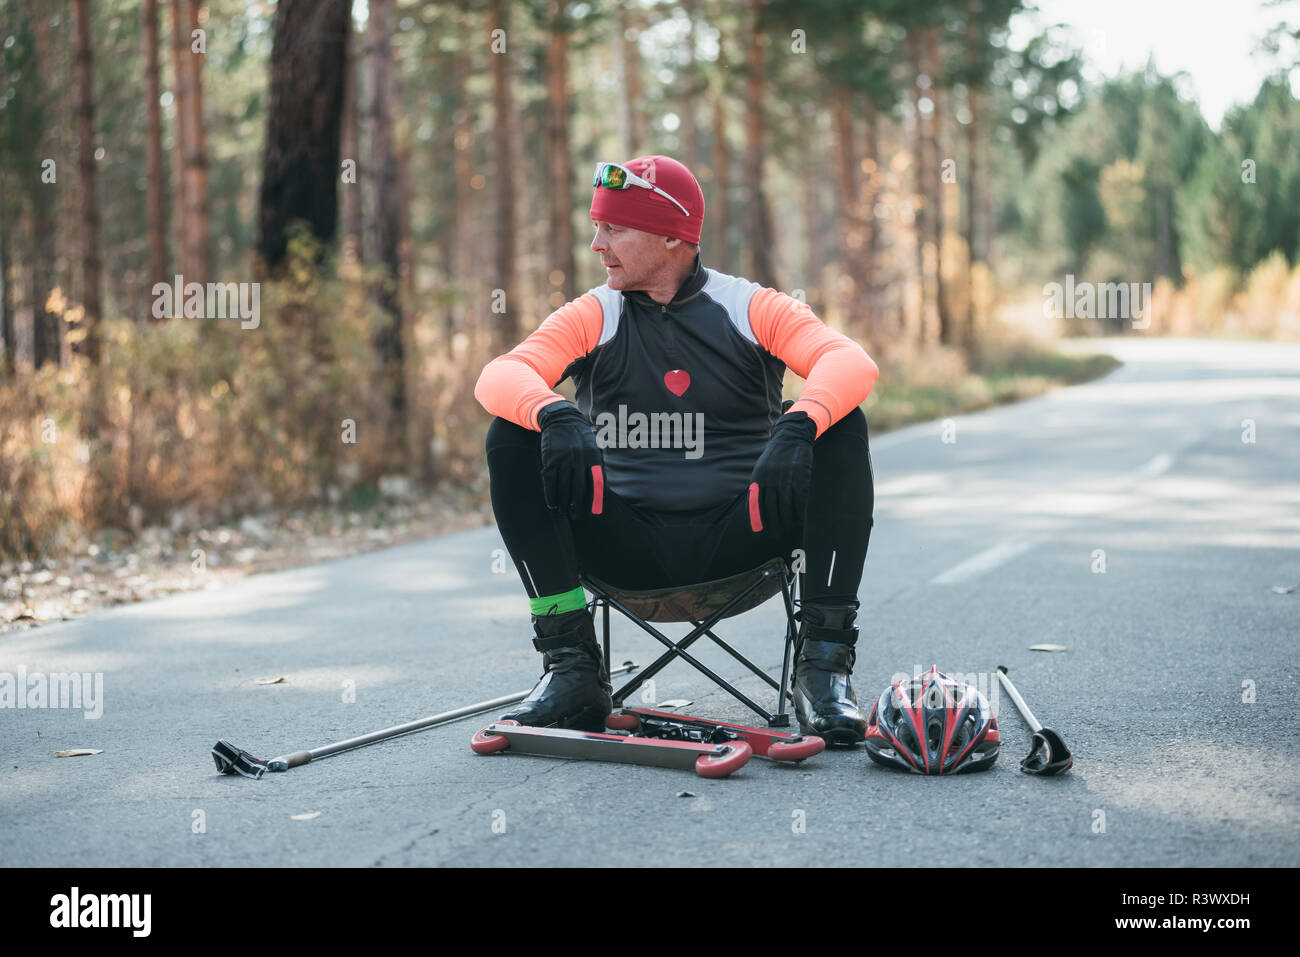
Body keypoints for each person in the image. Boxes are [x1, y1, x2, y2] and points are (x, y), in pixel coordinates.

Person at [473, 155, 879, 746]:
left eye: (614, 229)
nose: (596, 244)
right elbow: (500, 375)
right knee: (510, 433)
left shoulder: (751, 306)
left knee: (842, 424)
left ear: (672, 235)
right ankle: (571, 667)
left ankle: (824, 669)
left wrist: (799, 425)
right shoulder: (595, 312)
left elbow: (850, 362)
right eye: (597, 227)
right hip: (624, 548)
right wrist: (554, 412)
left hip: (743, 543)